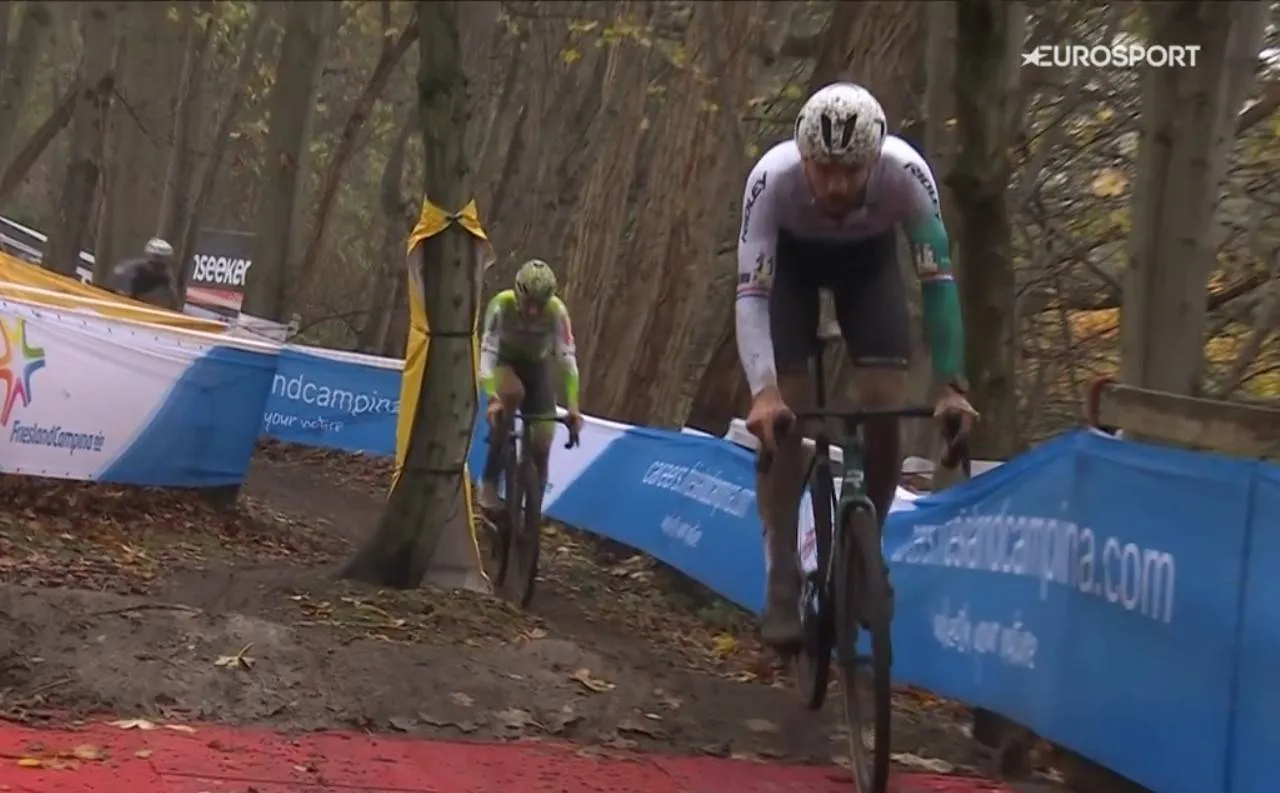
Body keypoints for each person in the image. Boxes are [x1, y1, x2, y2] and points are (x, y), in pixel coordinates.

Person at [734, 82, 978, 649]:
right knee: (786, 415)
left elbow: (938, 283)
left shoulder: (907, 175)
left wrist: (951, 384)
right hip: (791, 270)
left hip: (869, 268)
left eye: (851, 171)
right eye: (823, 171)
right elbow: (752, 294)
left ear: (876, 159)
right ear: (803, 158)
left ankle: (868, 549)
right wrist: (764, 392)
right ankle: (781, 573)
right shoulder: (772, 179)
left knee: (885, 403)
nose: (837, 185)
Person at [477, 259, 583, 510]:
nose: (534, 311)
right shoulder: (500, 306)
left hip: (537, 366)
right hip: (504, 362)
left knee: (542, 444)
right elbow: (487, 355)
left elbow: (567, 360)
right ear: (517, 295)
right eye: (528, 303)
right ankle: (490, 479)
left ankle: (533, 514)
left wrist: (573, 406)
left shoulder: (557, 312)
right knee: (512, 394)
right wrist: (492, 398)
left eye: (540, 304)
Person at [110, 237, 178, 308]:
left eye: (161, 266)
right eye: (154, 264)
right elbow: (117, 291)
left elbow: (173, 301)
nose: (157, 269)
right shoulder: (129, 270)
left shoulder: (166, 276)